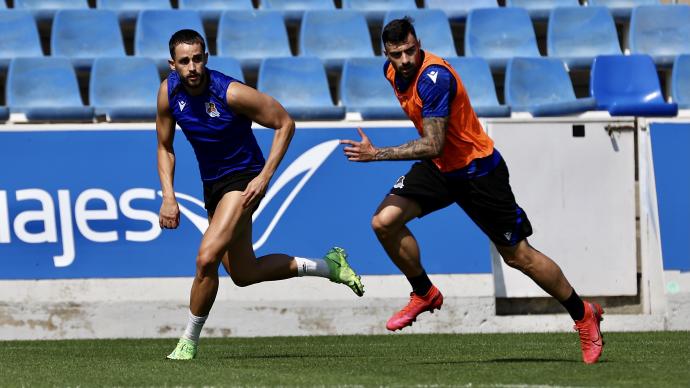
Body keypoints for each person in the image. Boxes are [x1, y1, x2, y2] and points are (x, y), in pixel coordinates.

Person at [340, 18, 604, 364]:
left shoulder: (435, 79)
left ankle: (583, 314)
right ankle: (424, 293)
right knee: (384, 222)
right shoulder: (391, 73)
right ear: (386, 54)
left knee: (518, 256)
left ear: (418, 43)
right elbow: (435, 151)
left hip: (477, 171)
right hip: (440, 169)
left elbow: (433, 144)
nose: (404, 60)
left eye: (409, 51)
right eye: (396, 55)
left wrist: (378, 155)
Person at [157, 29, 364, 360]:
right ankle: (329, 266)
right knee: (243, 273)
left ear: (206, 58)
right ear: (172, 65)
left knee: (206, 257)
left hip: (243, 180)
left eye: (198, 59)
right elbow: (165, 147)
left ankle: (188, 341)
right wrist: (169, 195)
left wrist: (265, 177)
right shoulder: (168, 94)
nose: (192, 67)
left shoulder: (231, 92)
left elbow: (284, 123)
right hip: (213, 185)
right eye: (184, 61)